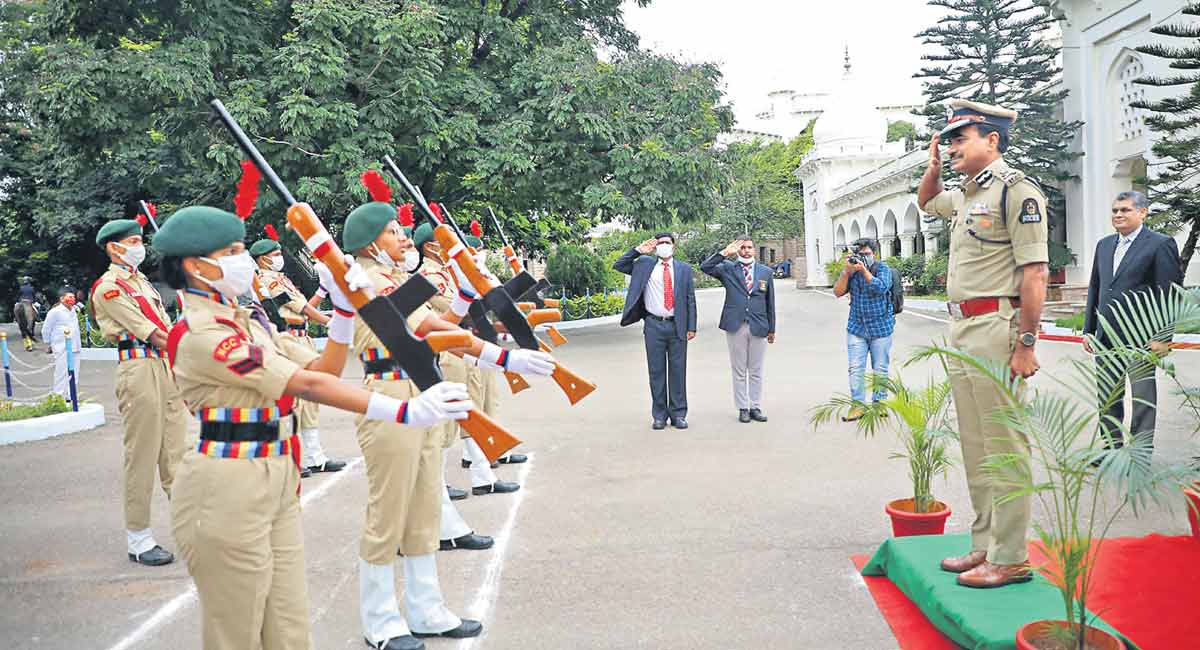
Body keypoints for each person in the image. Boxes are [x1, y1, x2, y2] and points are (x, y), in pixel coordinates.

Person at [154, 203, 473, 650]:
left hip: (276, 473)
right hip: (226, 483)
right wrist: (403, 412)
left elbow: (325, 368)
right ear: (195, 266)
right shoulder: (202, 334)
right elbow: (305, 384)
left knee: (289, 625)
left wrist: (343, 311)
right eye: (232, 251)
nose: (242, 260)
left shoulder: (247, 325)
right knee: (237, 631)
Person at [344, 200, 554, 649]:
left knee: (423, 508)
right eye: (394, 230)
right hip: (388, 393)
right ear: (370, 243)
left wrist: (505, 356)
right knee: (388, 515)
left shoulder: (393, 279)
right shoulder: (364, 280)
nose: (404, 237)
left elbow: (444, 328)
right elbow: (422, 331)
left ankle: (426, 610)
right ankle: (380, 620)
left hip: (424, 390)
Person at [918, 99, 1049, 589]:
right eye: (948, 139)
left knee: (1006, 445)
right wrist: (933, 167)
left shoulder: (1017, 191)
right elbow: (926, 202)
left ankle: (1012, 556)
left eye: (960, 138)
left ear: (992, 140)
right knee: (977, 445)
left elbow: (1035, 272)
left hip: (998, 328)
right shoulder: (968, 193)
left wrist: (1027, 343)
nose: (951, 147)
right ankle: (986, 544)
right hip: (963, 330)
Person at [91, 219, 190, 567]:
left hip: (163, 368)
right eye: (132, 241)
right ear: (113, 248)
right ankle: (139, 537)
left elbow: (167, 328)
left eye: (139, 241)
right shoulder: (110, 288)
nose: (139, 246)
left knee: (177, 454)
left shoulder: (141, 282)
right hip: (138, 370)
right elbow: (153, 333)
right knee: (143, 456)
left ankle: (190, 531)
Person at [1083, 190, 1183, 453]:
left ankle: (1139, 455)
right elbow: (1096, 287)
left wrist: (1164, 338)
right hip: (1106, 338)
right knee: (1107, 398)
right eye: (1115, 210)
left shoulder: (1160, 244)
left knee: (1142, 399)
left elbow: (1169, 294)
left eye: (1125, 210)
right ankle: (1110, 451)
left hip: (1142, 338)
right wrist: (1089, 329)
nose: (1118, 215)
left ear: (1142, 212)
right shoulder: (1104, 245)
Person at [250, 237, 347, 476]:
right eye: (274, 254)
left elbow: (303, 305)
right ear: (263, 259)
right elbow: (301, 309)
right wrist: (328, 320)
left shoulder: (281, 279)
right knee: (296, 399)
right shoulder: (268, 281)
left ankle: (316, 456)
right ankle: (295, 457)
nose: (279, 257)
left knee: (310, 400)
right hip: (289, 339)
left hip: (301, 338)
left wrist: (322, 291)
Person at [614, 233, 697, 430]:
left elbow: (690, 298)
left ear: (673, 247)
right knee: (656, 372)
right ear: (655, 247)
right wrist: (637, 251)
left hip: (677, 325)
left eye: (667, 243)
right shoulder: (644, 265)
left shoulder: (684, 269)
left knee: (678, 371)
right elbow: (619, 265)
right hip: (653, 325)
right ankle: (659, 415)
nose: (664, 246)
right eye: (660, 244)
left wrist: (691, 326)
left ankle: (678, 414)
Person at [700, 238, 776, 423]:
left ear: (755, 250)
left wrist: (772, 328)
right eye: (742, 248)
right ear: (737, 250)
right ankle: (742, 407)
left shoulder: (765, 272)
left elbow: (770, 302)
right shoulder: (727, 268)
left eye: (749, 247)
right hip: (736, 324)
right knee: (739, 369)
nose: (746, 251)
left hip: (759, 324)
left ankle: (755, 406)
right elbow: (705, 267)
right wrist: (724, 253)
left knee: (756, 369)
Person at [832, 238, 895, 421]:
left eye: (867, 254)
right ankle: (857, 405)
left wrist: (864, 270)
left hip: (881, 327)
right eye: (860, 255)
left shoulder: (883, 269)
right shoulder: (851, 272)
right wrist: (846, 272)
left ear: (874, 254)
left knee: (880, 368)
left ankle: (879, 403)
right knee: (855, 368)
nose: (863, 258)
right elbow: (837, 292)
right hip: (857, 327)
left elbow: (881, 288)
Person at [42, 287, 82, 399]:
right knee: (61, 372)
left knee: (75, 372)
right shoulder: (55, 312)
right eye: (69, 297)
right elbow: (46, 329)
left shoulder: (74, 310)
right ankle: (58, 396)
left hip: (75, 346)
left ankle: (71, 395)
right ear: (62, 298)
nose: (72, 299)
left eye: (73, 297)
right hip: (61, 347)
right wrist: (48, 343)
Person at [16, 276, 38, 351]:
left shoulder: (21, 288)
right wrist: (34, 301)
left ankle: (16, 318)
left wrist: (18, 300)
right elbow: (34, 297)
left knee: (16, 308)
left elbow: (18, 296)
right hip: (29, 302)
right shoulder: (32, 288)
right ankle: (37, 318)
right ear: (29, 281)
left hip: (21, 302)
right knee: (36, 310)